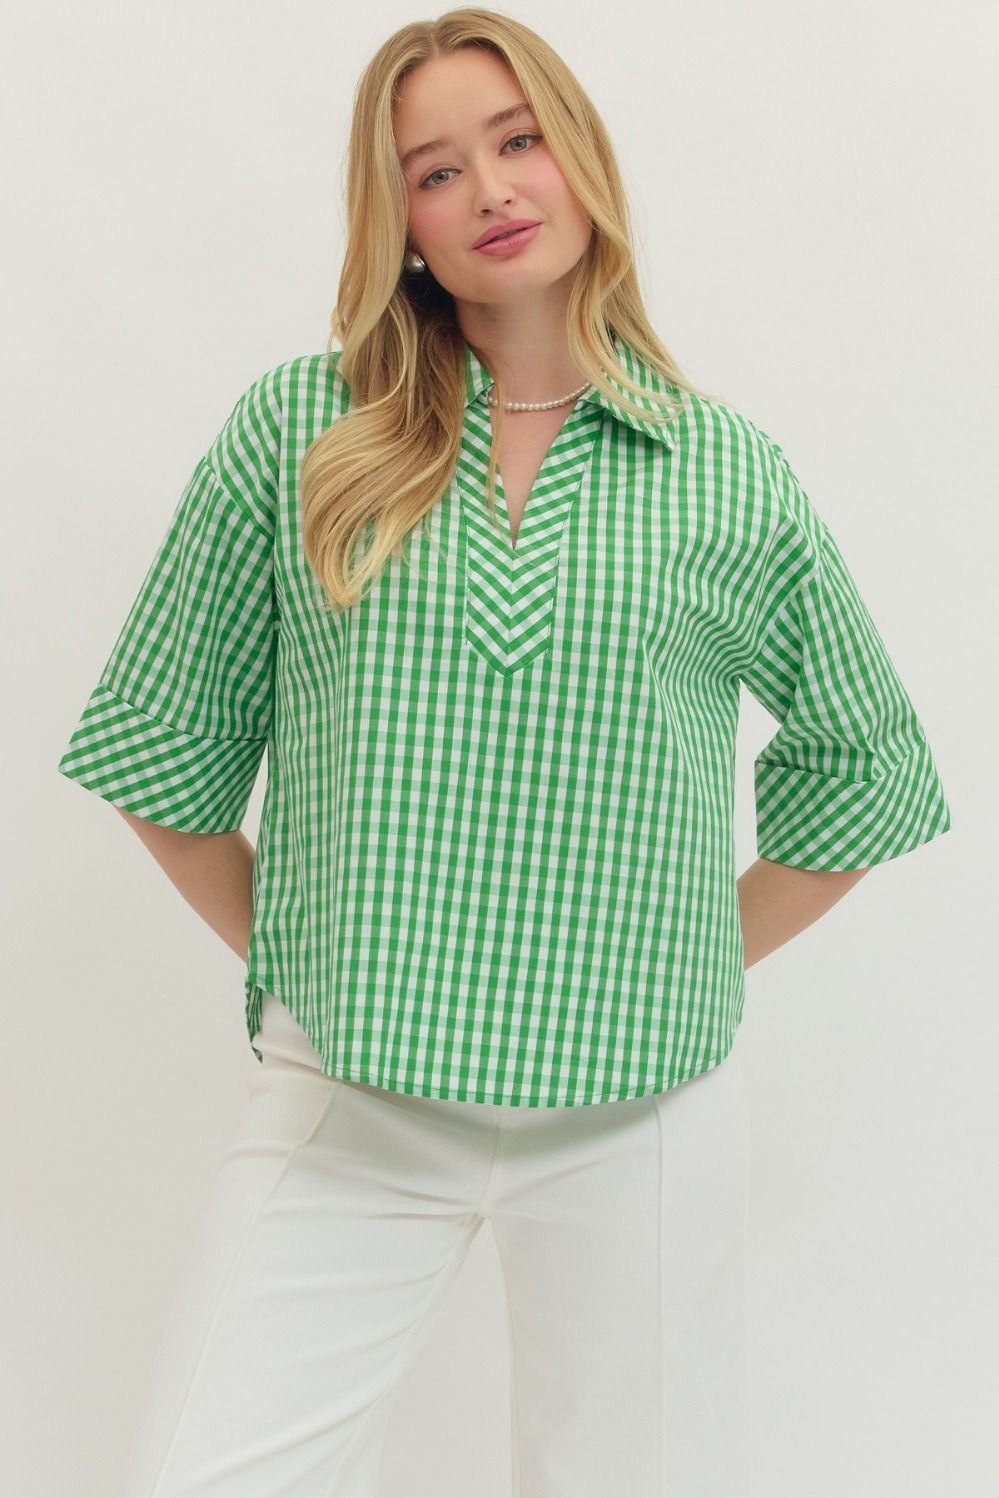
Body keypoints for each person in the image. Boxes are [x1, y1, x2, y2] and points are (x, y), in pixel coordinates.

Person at [55, 9, 952, 1497]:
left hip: (638, 1111)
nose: (490, 189)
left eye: (517, 139)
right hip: (348, 1099)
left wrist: (690, 954)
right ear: (397, 219)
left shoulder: (723, 474)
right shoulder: (306, 435)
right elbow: (165, 743)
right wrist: (316, 951)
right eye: (435, 170)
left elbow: (864, 762)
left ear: (579, 155)